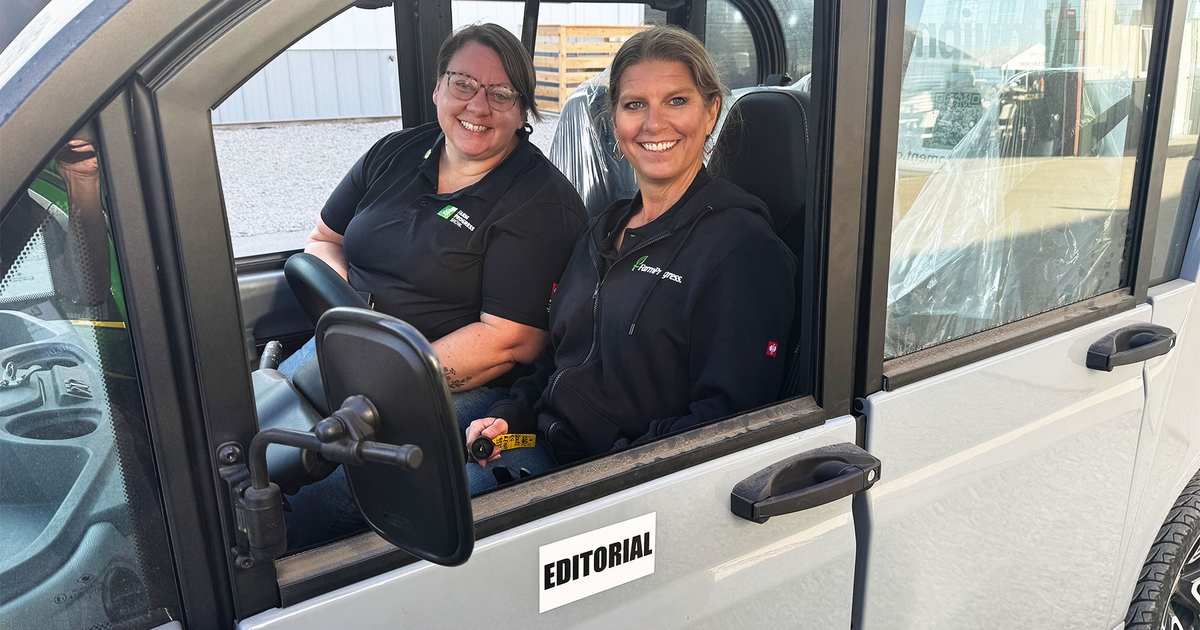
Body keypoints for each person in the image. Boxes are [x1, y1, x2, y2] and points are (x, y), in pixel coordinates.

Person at [283, 24, 586, 550]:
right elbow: (324, 240)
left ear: (523, 110)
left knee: (297, 493)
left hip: (450, 386)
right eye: (463, 83)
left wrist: (384, 373)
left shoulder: (539, 202)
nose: (478, 105)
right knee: (248, 442)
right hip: (347, 352)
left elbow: (510, 341)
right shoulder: (396, 152)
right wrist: (353, 327)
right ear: (438, 87)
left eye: (501, 93)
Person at [464, 26, 797, 492]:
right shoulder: (603, 227)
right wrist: (510, 416)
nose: (653, 124)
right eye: (635, 104)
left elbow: (726, 420)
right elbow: (560, 357)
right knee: (410, 430)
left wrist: (607, 475)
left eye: (676, 101)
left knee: (442, 503)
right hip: (543, 435)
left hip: (620, 481)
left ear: (710, 112)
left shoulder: (743, 251)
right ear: (615, 120)